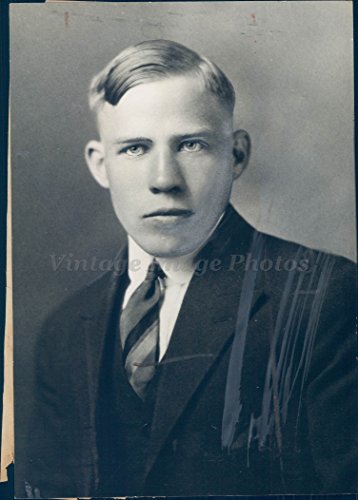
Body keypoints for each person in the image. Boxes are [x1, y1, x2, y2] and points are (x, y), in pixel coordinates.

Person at [23, 39, 356, 498]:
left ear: (236, 155)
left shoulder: (323, 296)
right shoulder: (65, 330)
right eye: (135, 148)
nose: (164, 179)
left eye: (191, 144)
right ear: (101, 165)